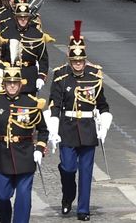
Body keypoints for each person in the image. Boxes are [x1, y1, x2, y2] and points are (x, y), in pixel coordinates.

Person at [48, 24, 111, 221]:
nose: (78, 64)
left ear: (85, 60)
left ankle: (83, 209)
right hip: (67, 128)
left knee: (86, 173)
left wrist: (104, 124)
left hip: (88, 130)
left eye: (81, 61)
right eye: (74, 61)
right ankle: (68, 195)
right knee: (68, 168)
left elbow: (103, 105)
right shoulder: (61, 76)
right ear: (69, 59)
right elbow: (55, 105)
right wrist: (53, 127)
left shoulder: (94, 77)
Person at [0, 63, 51, 223]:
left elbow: (43, 130)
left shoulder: (31, 103)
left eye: (15, 83)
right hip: (1, 155)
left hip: (25, 154)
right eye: (9, 83)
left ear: (20, 84)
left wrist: (39, 148)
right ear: (4, 84)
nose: (12, 86)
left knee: (23, 198)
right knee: (0, 196)